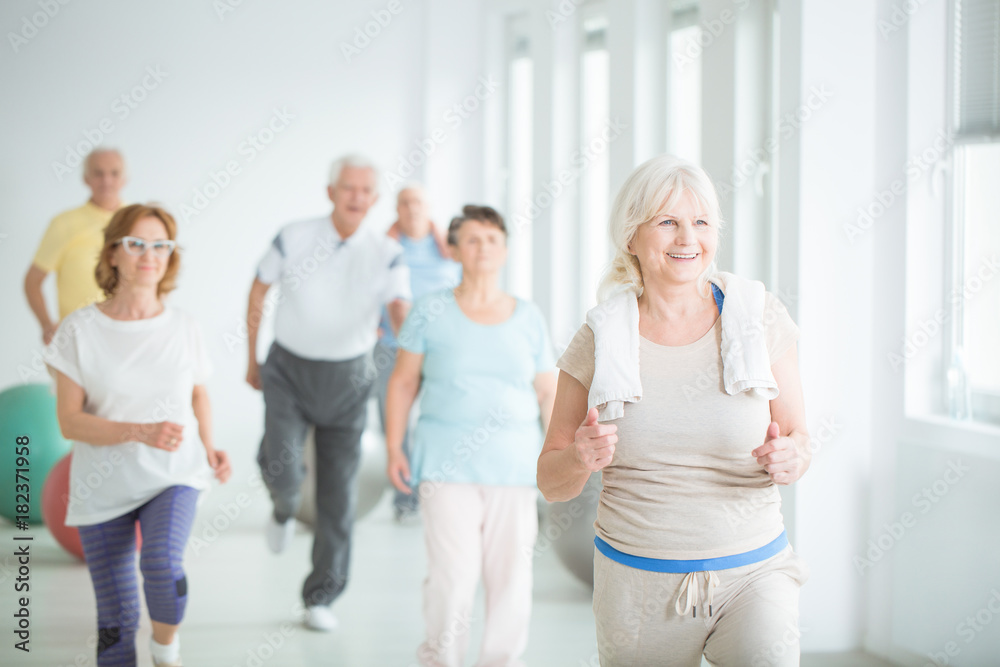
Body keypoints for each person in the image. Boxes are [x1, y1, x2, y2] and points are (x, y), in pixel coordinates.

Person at [537, 155, 811, 666]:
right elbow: (552, 482)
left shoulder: (759, 318)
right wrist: (578, 457)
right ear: (631, 236)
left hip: (755, 573)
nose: (688, 238)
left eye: (700, 222)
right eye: (668, 221)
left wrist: (792, 457)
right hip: (638, 585)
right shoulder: (598, 338)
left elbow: (799, 438)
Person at [45, 203, 231, 667]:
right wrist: (140, 431)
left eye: (161, 245)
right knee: (115, 625)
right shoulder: (78, 331)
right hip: (102, 486)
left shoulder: (184, 326)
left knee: (162, 565)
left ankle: (166, 648)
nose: (150, 255)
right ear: (112, 254)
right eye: (137, 244)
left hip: (174, 474)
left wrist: (208, 447)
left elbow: (199, 395)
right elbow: (70, 422)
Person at [385, 205, 557, 667]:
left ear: (504, 250)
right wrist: (393, 446)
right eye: (473, 239)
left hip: (515, 466)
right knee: (451, 577)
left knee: (511, 579)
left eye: (493, 239)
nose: (483, 247)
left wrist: (556, 453)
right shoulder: (430, 310)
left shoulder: (528, 317)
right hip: (445, 464)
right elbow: (402, 384)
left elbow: (547, 390)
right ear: (455, 249)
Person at [246, 154, 411, 632]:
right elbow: (258, 291)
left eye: (365, 191)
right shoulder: (295, 235)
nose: (356, 197)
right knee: (283, 466)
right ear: (330, 192)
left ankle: (321, 596)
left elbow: (400, 307)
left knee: (338, 496)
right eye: (348, 188)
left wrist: (413, 349)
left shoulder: (386, 251)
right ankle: (282, 508)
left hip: (350, 379)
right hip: (287, 372)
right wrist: (249, 357)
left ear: (375, 199)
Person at [375, 183, 460, 523]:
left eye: (418, 203)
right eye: (405, 203)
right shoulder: (384, 248)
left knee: (441, 420)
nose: (412, 208)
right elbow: (369, 289)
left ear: (428, 208)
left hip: (440, 351)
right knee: (393, 425)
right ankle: (405, 497)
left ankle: (443, 491)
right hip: (393, 350)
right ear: (397, 210)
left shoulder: (448, 249)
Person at [25, 148, 127, 343]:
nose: (106, 180)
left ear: (124, 179)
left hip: (126, 337)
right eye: (98, 173)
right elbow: (32, 281)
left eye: (114, 173)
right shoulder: (63, 224)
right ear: (86, 179)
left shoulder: (137, 222)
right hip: (78, 340)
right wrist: (47, 325)